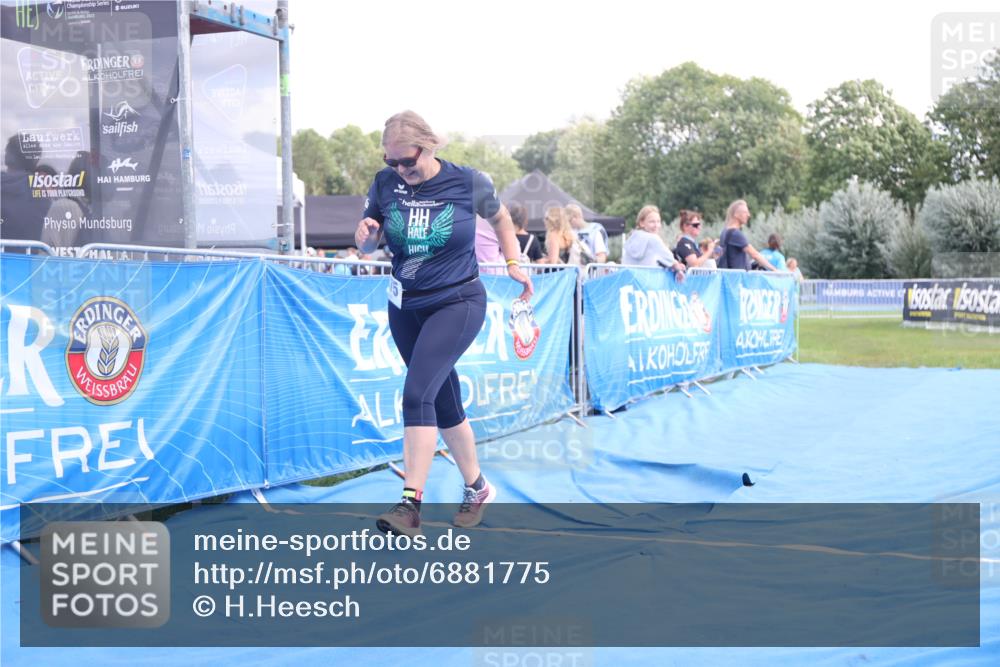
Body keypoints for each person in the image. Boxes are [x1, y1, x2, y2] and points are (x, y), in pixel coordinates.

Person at [355, 110, 533, 536]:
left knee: (417, 394)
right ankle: (477, 487)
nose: (400, 169)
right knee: (444, 401)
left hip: (457, 300)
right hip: (405, 305)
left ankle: (409, 505)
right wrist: (365, 236)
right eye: (391, 162)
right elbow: (370, 242)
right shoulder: (385, 184)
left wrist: (513, 262)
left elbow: (502, 218)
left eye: (407, 160)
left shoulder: (468, 181)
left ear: (429, 146)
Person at [622, 205, 686, 279]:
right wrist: (678, 267)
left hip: (628, 280)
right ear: (641, 223)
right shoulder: (653, 239)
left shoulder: (632, 238)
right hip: (647, 282)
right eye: (652, 222)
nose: (656, 225)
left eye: (658, 222)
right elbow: (669, 259)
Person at [717, 200, 777, 271]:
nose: (748, 215)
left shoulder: (724, 232)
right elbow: (755, 255)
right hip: (737, 279)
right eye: (745, 212)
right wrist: (774, 270)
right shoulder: (735, 233)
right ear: (736, 214)